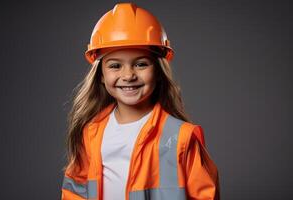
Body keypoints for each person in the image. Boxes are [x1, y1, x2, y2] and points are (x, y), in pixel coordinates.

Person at [61, 2, 220, 200]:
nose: (128, 75)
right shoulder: (90, 133)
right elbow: (75, 192)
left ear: (159, 71)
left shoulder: (182, 138)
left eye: (141, 64)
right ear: (100, 75)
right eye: (115, 65)